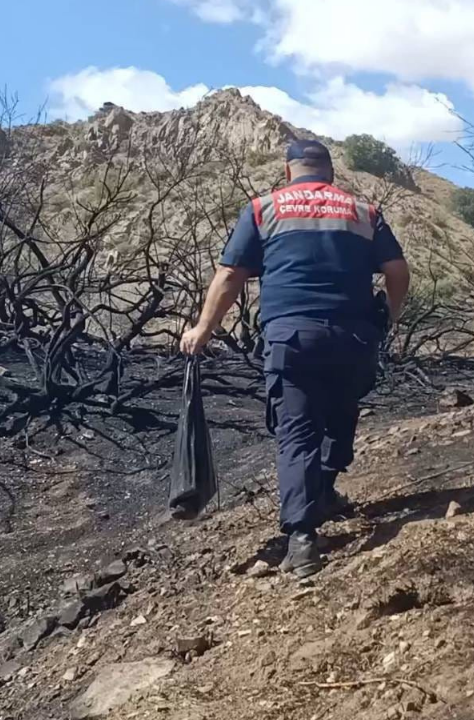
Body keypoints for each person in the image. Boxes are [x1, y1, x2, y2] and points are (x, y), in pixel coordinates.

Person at [180, 139, 411, 578]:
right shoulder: (364, 212)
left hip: (293, 338)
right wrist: (390, 317)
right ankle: (323, 489)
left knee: (297, 431)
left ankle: (303, 539)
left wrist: (203, 329)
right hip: (353, 336)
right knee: (342, 412)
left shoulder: (263, 209)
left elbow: (230, 275)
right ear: (330, 173)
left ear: (289, 173)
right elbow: (397, 271)